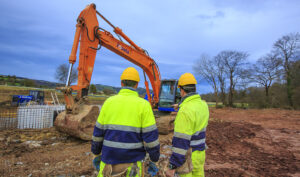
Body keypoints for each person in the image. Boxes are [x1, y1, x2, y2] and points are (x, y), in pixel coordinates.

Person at [91, 67, 160, 177]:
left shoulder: (108, 103)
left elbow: (97, 134)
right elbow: (151, 140)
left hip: (108, 163)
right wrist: (154, 159)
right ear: (137, 85)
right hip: (133, 166)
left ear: (121, 83)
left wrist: (96, 153)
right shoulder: (144, 105)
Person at [166, 73, 209, 177]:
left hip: (188, 157)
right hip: (200, 153)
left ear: (182, 90)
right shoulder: (203, 105)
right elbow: (192, 104)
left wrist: (172, 165)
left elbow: (181, 141)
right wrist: (180, 105)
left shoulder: (185, 111)